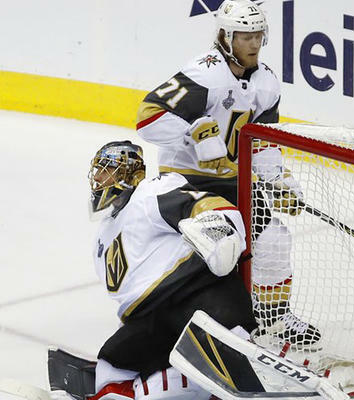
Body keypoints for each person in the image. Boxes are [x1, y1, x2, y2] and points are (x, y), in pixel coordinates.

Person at [135, 0, 320, 349]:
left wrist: (278, 180)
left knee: (275, 240)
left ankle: (274, 317)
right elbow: (148, 117)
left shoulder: (267, 83)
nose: (254, 44)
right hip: (186, 181)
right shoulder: (206, 74)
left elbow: (262, 142)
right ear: (225, 37)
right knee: (213, 250)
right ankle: (184, 319)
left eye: (258, 36)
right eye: (246, 36)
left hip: (233, 181)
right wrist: (193, 133)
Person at [86, 140, 256, 398]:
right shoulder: (103, 236)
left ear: (132, 174)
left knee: (224, 352)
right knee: (110, 371)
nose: (99, 177)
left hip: (193, 295)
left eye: (108, 169)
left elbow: (202, 204)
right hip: (149, 318)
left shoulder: (150, 193)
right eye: (98, 170)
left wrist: (220, 229)